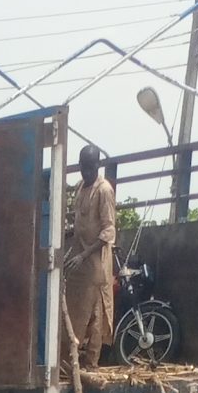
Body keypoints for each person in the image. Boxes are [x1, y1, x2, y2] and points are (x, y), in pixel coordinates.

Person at [63, 144, 117, 373]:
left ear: (98, 165)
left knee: (96, 311)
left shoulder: (104, 190)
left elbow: (108, 231)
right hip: (78, 256)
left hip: (94, 259)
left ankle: (91, 362)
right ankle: (69, 358)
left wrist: (85, 254)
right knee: (74, 308)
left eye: (90, 167)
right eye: (83, 167)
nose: (86, 172)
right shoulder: (79, 187)